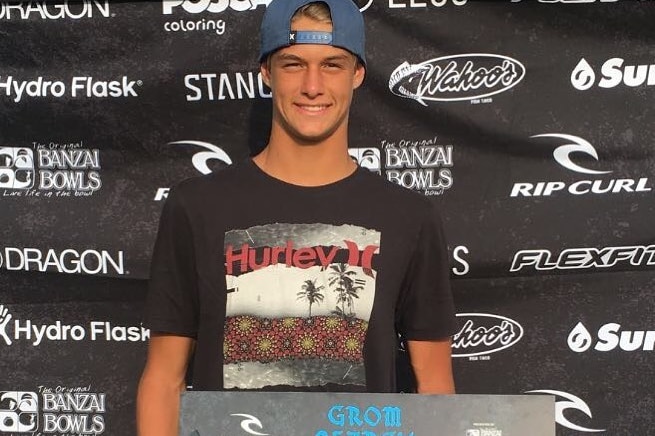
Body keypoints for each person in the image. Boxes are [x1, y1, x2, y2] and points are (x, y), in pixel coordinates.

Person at [137, 0, 457, 434]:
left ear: (357, 74)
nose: (312, 85)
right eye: (292, 64)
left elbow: (434, 385)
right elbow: (164, 378)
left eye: (332, 64)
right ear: (266, 72)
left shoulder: (408, 216)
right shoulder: (196, 206)